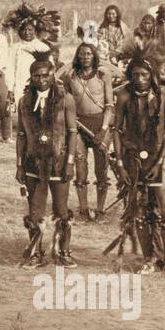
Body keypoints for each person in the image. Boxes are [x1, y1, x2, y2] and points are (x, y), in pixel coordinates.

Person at [111, 57, 165, 275]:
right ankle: (149, 258)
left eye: (144, 75)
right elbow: (117, 130)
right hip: (134, 159)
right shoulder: (123, 95)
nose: (140, 80)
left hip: (158, 156)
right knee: (139, 210)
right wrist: (121, 164)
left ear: (152, 75)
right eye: (135, 75)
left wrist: (161, 160)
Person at [17, 54, 76, 268]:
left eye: (45, 75)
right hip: (33, 163)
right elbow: (21, 136)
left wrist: (70, 162)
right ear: (31, 78)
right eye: (37, 76)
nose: (41, 79)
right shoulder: (24, 102)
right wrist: (19, 165)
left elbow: (72, 132)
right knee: (35, 211)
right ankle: (35, 253)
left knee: (61, 211)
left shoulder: (65, 99)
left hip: (59, 163)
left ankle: (63, 251)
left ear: (52, 76)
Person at [63, 42, 113, 222]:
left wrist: (104, 129)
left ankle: (100, 208)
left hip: (100, 124)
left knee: (102, 167)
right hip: (79, 125)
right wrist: (71, 122)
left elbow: (109, 105)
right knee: (80, 164)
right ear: (78, 56)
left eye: (89, 54)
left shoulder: (103, 75)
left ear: (94, 56)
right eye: (82, 54)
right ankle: (83, 208)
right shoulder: (71, 76)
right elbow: (67, 103)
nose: (85, 57)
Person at [96, 5, 130, 70]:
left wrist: (113, 53)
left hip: (118, 55)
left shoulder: (122, 28)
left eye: (113, 14)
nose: (111, 16)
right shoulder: (102, 26)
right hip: (103, 53)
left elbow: (123, 44)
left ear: (117, 14)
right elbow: (98, 39)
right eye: (109, 14)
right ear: (106, 15)